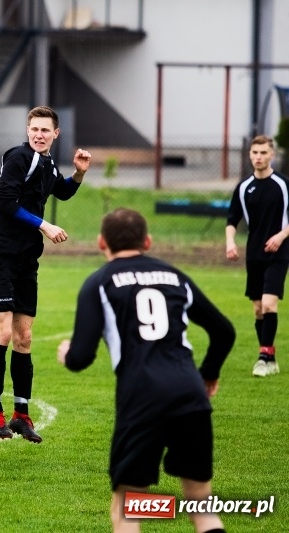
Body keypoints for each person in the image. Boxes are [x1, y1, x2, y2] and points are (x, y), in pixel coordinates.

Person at [58, 208, 234, 533]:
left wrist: (67, 354)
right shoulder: (175, 276)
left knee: (128, 509)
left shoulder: (98, 283)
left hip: (142, 397)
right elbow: (224, 331)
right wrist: (208, 373)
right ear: (148, 242)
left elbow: (81, 357)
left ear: (101, 243)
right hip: (190, 394)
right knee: (202, 505)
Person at [0, 105, 91, 441]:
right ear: (27, 130)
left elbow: (62, 190)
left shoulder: (47, 163)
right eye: (34, 129)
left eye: (45, 130)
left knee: (24, 338)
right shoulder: (19, 157)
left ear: (56, 134)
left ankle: (21, 415)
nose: (39, 135)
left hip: (27, 261)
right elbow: (5, 203)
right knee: (1, 333)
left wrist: (79, 174)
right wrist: (44, 225)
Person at [226, 134, 288, 377]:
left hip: (279, 254)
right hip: (254, 255)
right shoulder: (243, 188)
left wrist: (281, 236)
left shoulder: (283, 185)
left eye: (263, 153)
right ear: (250, 155)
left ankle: (262, 358)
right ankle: (270, 357)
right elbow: (232, 220)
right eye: (255, 153)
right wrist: (230, 242)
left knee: (269, 303)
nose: (259, 157)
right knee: (257, 310)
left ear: (272, 155)